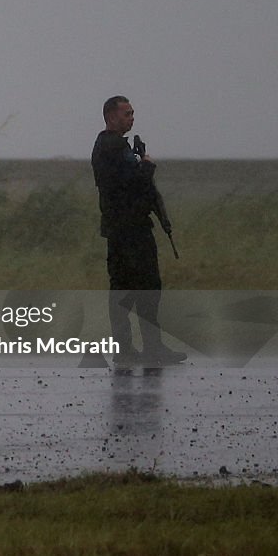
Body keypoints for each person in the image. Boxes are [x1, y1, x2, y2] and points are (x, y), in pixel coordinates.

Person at [91, 96, 186, 366]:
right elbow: (131, 183)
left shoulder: (111, 145)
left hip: (121, 228)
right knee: (143, 289)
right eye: (126, 114)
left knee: (125, 289)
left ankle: (131, 348)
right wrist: (145, 164)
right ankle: (148, 348)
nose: (131, 118)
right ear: (111, 117)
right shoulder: (112, 146)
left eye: (132, 113)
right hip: (130, 230)